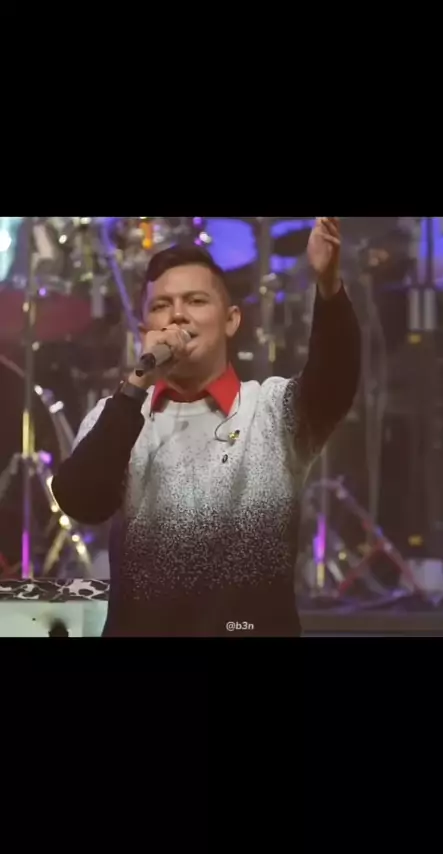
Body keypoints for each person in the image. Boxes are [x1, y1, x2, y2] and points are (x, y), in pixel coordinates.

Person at [52, 217, 361, 636]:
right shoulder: (117, 415)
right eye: (161, 306)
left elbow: (337, 377)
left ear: (231, 320)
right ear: (144, 330)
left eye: (196, 301)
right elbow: (81, 501)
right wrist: (139, 381)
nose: (178, 314)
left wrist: (329, 287)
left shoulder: (272, 408)